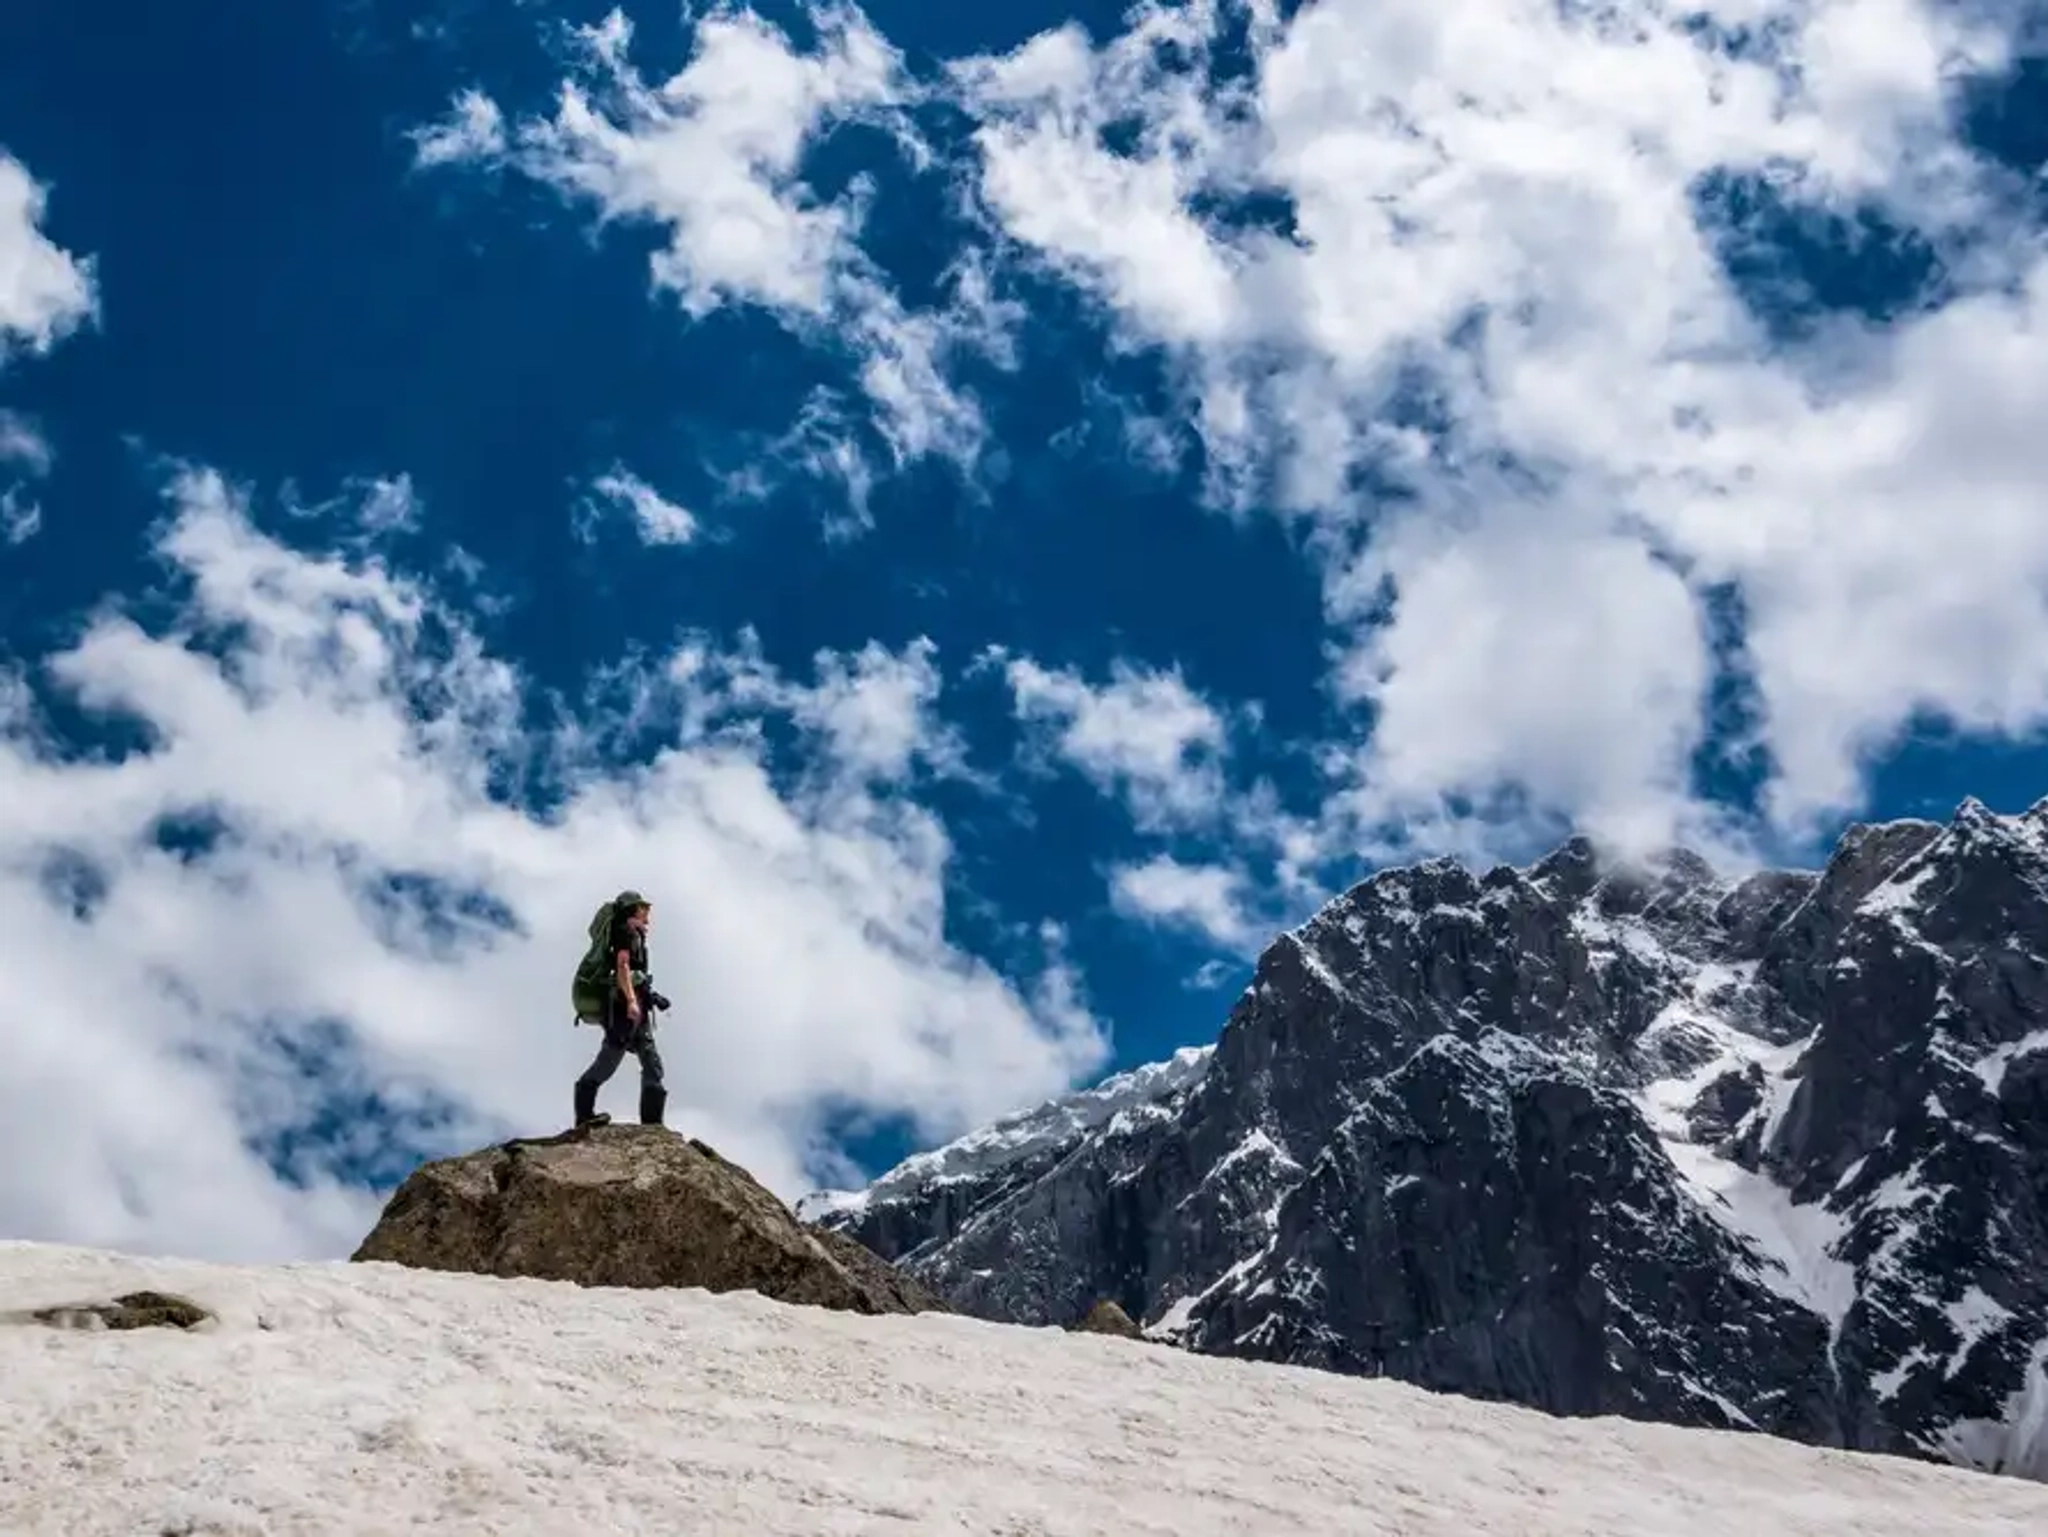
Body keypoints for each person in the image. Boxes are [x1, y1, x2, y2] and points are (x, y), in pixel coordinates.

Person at [572, 890, 669, 1129]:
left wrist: (652, 997)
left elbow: (635, 973)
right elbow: (623, 966)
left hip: (636, 1005)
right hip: (623, 1008)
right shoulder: (625, 932)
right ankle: (584, 1116)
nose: (647, 912)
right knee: (609, 1059)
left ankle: (653, 1125)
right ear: (632, 909)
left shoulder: (636, 935)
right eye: (643, 907)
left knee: (652, 1062)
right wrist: (632, 1001)